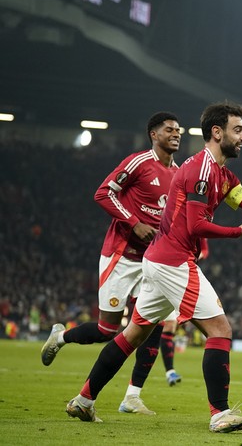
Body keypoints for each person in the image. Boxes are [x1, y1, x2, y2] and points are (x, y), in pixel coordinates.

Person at [61, 101, 242, 433]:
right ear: (217, 132)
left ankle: (84, 400)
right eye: (238, 130)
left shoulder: (222, 174)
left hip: (157, 259)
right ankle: (220, 413)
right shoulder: (202, 170)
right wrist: (237, 232)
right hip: (173, 261)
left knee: (132, 334)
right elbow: (194, 225)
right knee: (220, 330)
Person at [41, 112, 185, 415]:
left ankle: (132, 396)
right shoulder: (138, 163)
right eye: (169, 129)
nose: (176, 134)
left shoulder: (180, 172)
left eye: (178, 130)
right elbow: (103, 192)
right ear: (153, 135)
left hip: (153, 261)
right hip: (122, 255)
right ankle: (61, 336)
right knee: (108, 329)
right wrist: (133, 223)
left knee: (152, 325)